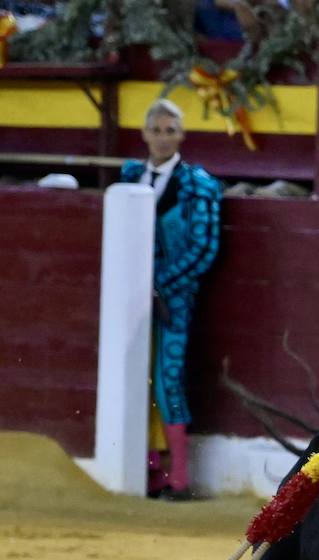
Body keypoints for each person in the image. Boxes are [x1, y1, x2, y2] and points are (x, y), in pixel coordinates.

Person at [120, 99, 222, 500]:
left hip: (174, 299)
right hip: (128, 297)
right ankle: (151, 470)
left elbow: (203, 247)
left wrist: (158, 283)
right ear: (144, 133)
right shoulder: (130, 176)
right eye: (155, 130)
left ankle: (178, 477)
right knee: (134, 378)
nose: (161, 138)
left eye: (169, 130)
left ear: (181, 135)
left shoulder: (199, 184)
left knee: (167, 379)